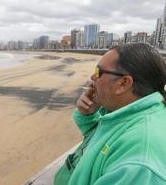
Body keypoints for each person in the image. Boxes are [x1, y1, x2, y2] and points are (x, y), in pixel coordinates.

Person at [54, 43, 166, 185]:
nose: (92, 77)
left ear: (123, 83)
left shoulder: (139, 166)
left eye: (98, 72)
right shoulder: (128, 113)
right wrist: (88, 116)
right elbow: (105, 140)